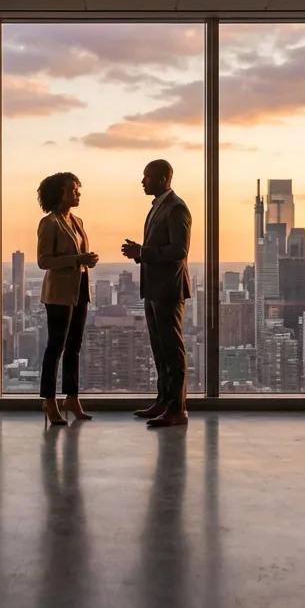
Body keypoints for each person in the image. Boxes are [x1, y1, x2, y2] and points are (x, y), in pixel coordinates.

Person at [121, 159, 191, 428]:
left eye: (147, 176)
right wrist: (141, 253)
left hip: (168, 290)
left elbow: (178, 251)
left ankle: (177, 409)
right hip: (153, 289)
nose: (142, 181)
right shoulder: (159, 208)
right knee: (160, 350)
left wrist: (143, 252)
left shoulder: (177, 209)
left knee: (172, 351)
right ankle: (163, 401)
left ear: (162, 179)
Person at [35, 172, 99, 426]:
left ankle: (72, 398)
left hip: (80, 288)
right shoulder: (49, 223)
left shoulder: (77, 221)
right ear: (58, 194)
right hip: (59, 293)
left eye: (77, 189)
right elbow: (44, 261)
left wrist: (86, 260)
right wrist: (77, 260)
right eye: (73, 189)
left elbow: (78, 254)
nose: (78, 193)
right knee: (56, 347)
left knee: (74, 347)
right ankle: (49, 401)